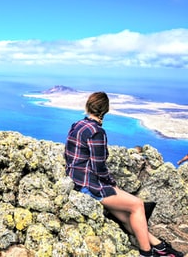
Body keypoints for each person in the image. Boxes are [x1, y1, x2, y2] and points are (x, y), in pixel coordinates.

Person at [64, 92, 183, 257]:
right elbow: (99, 167)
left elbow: (69, 155)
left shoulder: (77, 125)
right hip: (89, 185)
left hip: (75, 180)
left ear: (88, 106)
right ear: (105, 110)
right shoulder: (96, 131)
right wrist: (112, 183)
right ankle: (146, 253)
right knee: (137, 205)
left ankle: (159, 246)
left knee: (128, 216)